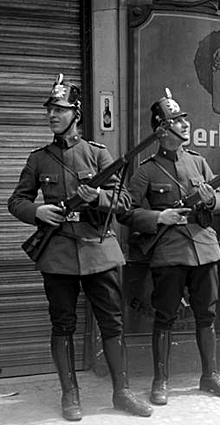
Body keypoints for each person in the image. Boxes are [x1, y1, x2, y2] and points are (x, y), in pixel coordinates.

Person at [8, 74, 153, 421]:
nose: (52, 115)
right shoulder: (38, 159)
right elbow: (17, 201)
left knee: (112, 325)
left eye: (59, 109)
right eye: (50, 110)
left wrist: (99, 197)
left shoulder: (98, 154)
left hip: (98, 250)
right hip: (57, 253)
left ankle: (122, 391)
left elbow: (125, 202)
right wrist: (38, 211)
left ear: (76, 114)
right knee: (62, 325)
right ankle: (70, 395)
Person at [117, 88, 220, 405]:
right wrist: (160, 216)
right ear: (161, 129)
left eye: (184, 119)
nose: (184, 124)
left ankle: (210, 376)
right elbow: (125, 212)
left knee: (207, 316)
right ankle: (161, 381)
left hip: (205, 248)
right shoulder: (145, 170)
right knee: (165, 316)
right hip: (169, 252)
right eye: (176, 120)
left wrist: (213, 199)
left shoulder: (198, 163)